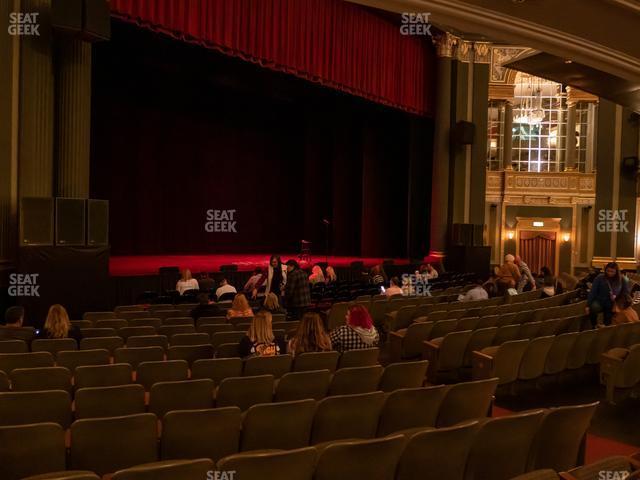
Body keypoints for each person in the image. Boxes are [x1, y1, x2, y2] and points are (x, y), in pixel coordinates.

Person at [587, 262, 629, 327]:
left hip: (614, 302)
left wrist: (616, 297)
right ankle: (594, 326)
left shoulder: (622, 279)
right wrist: (588, 305)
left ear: (616, 272)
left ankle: (606, 327)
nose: (609, 273)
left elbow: (625, 292)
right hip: (600, 300)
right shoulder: (600, 278)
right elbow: (593, 292)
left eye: (612, 271)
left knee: (608, 318)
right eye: (608, 271)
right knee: (593, 308)